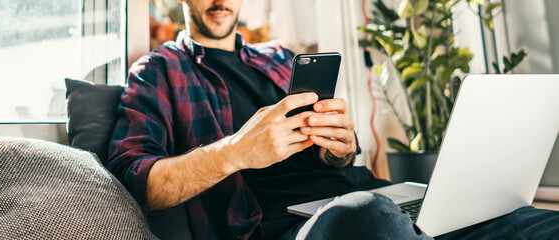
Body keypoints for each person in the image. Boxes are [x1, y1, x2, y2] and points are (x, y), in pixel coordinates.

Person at [107, 0, 559, 239]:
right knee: (367, 216)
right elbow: (138, 183)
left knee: (530, 218)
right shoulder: (158, 70)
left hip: (368, 197)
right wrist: (237, 152)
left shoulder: (281, 57)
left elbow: (341, 156)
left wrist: (339, 149)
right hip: (289, 227)